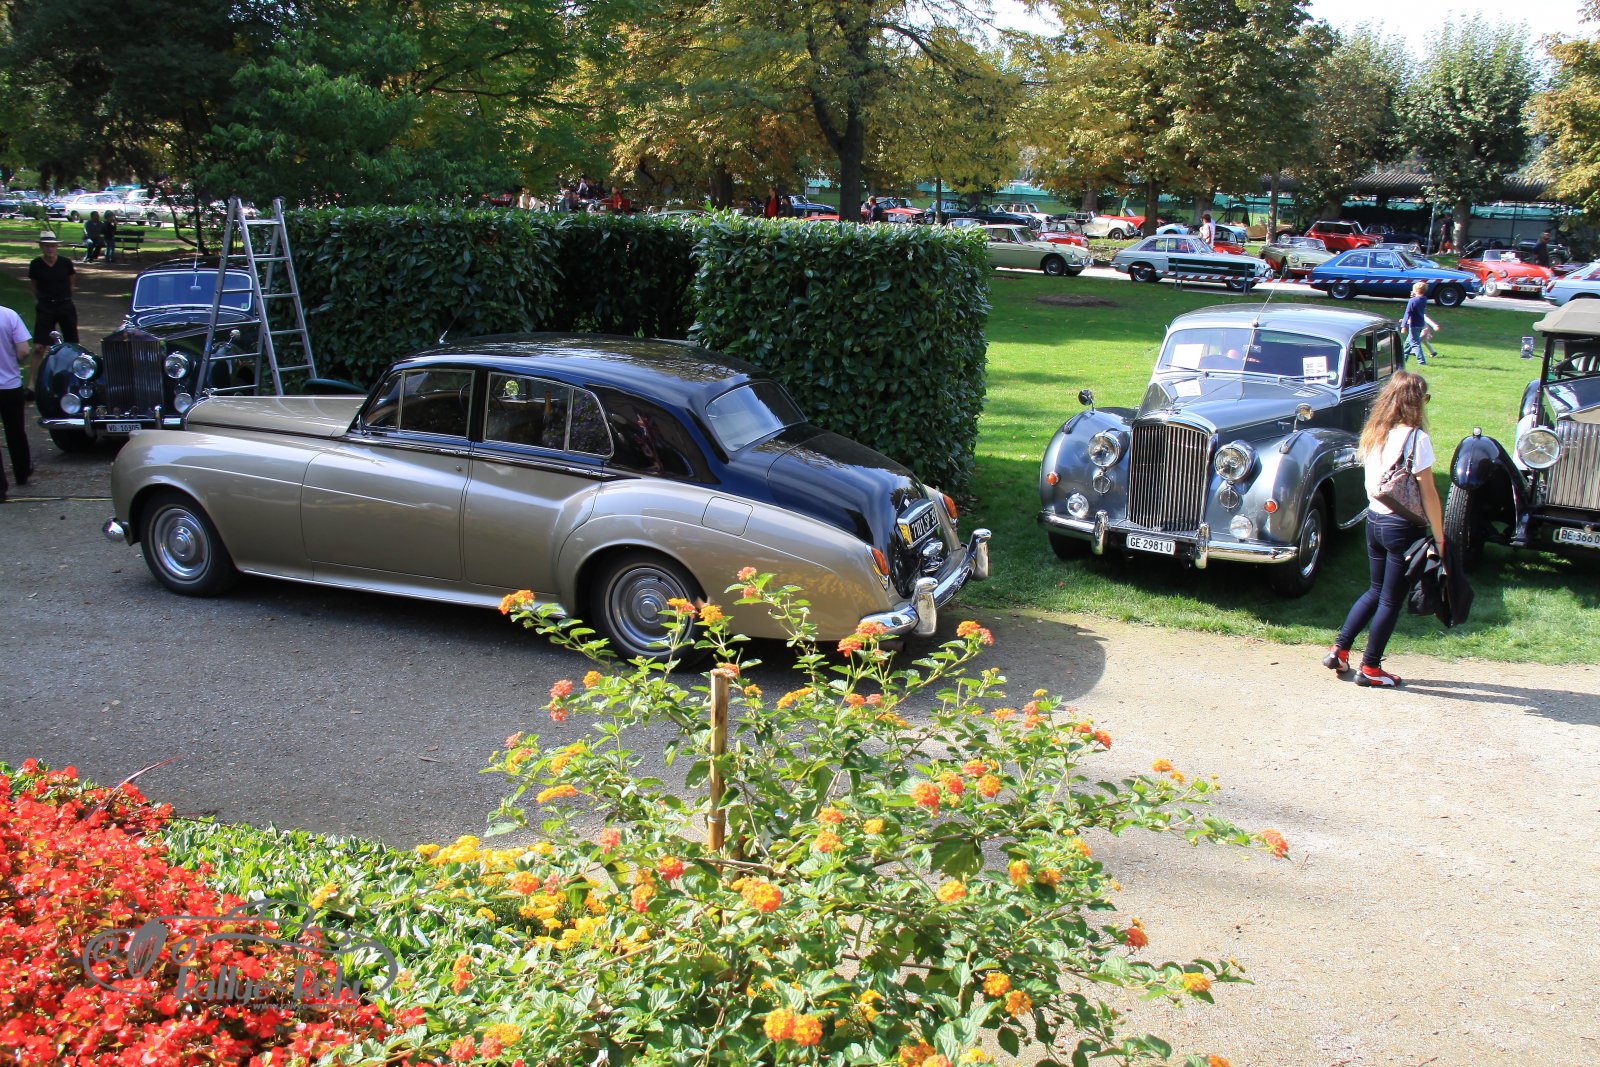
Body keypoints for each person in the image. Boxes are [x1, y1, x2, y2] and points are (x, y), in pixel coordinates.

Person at [1323, 371, 1444, 688]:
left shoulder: (1375, 432)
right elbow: (1429, 493)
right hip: (1402, 527)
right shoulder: (1416, 439)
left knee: (1374, 591)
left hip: (1374, 521)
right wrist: (1440, 536)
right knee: (1391, 600)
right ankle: (1371, 667)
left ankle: (1339, 649)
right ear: (1415, 402)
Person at [27, 230, 77, 365]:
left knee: (72, 343)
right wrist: (41, 299)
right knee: (39, 346)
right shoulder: (36, 264)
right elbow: (33, 285)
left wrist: (66, 295)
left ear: (57, 247)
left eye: (52, 246)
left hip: (65, 305)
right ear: (41, 247)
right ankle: (33, 377)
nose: (50, 249)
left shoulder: (65, 262)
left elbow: (71, 280)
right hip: (45, 306)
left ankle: (72, 370)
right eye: (46, 246)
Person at [0, 302, 33, 502]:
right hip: (10, 385)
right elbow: (23, 350)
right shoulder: (9, 315)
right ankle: (22, 471)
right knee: (16, 431)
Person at [1400, 281, 1428, 366]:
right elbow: (1417, 302)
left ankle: (1421, 361)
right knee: (1408, 342)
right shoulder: (1424, 299)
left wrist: (1403, 325)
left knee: (1415, 343)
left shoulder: (1412, 301)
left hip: (1414, 325)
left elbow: (1407, 313)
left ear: (1416, 290)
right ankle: (1403, 358)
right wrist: (1414, 297)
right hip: (1420, 323)